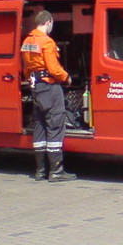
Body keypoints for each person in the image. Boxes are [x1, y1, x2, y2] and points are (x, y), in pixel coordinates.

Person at [20, 10, 77, 181]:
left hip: (35, 87)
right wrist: (66, 78)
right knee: (55, 125)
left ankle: (40, 170)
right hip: (49, 86)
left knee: (40, 125)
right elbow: (53, 68)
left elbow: (26, 68)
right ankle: (56, 171)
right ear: (48, 22)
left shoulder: (28, 41)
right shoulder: (47, 42)